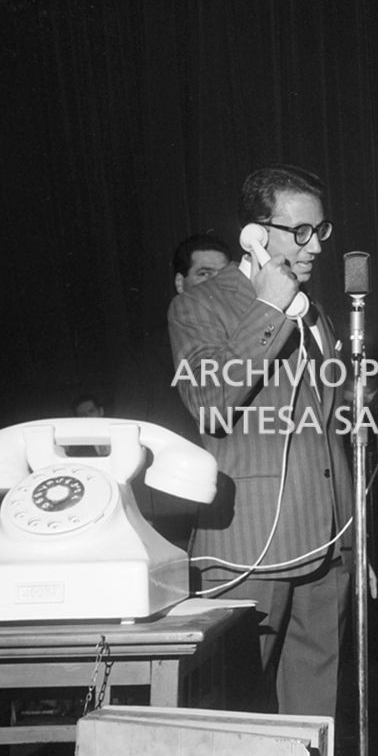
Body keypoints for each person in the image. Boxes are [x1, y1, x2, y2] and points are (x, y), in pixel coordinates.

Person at [168, 164, 364, 720]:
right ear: (255, 233)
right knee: (239, 714)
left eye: (320, 230)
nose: (315, 246)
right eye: (299, 231)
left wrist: (353, 534)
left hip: (328, 545)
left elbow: (326, 429)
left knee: (315, 713)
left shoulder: (315, 313)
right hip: (249, 546)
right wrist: (269, 309)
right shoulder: (199, 306)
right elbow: (209, 404)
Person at [113, 234, 232, 546]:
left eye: (224, 276)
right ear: (180, 283)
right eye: (204, 274)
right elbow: (126, 441)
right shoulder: (142, 354)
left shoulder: (245, 347)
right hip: (172, 514)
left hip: (235, 510)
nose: (216, 285)